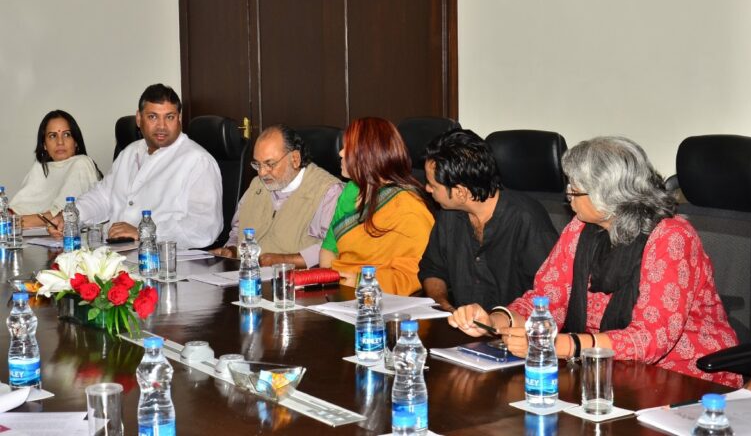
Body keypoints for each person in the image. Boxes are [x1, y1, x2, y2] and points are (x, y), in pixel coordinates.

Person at [449, 136, 742, 388]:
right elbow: (547, 300)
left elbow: (650, 340)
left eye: (576, 188)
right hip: (605, 371)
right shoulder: (581, 228)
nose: (568, 196)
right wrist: (497, 320)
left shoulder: (671, 238)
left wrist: (563, 345)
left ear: (610, 195)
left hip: (685, 377)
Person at [49, 84, 223, 249]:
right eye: (153, 117)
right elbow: (103, 196)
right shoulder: (130, 152)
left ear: (179, 119)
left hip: (164, 260)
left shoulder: (197, 161)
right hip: (116, 252)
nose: (162, 126)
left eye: (169, 117)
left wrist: (144, 232)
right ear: (139, 119)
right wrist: (71, 217)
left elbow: (204, 226)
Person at [418, 129, 558, 312]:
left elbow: (551, 296)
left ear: (461, 192)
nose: (427, 189)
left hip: (515, 333)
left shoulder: (526, 219)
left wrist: (499, 322)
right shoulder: (449, 214)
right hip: (464, 331)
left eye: (433, 185)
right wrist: (443, 305)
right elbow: (433, 269)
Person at [319, 117, 434, 295]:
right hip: (336, 290)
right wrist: (326, 283)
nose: (341, 153)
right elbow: (328, 249)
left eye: (348, 148)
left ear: (369, 154)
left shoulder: (408, 207)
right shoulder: (351, 190)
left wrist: (360, 282)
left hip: (375, 297)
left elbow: (416, 273)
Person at [209, 124, 342, 268]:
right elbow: (237, 229)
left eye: (269, 164)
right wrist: (232, 250)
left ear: (295, 159)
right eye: (257, 164)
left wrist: (283, 260)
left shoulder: (328, 191)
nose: (262, 173)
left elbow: (332, 248)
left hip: (294, 283)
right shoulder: (257, 186)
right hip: (246, 277)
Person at [11, 110, 102, 228]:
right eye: (53, 136)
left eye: (66, 134)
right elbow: (15, 210)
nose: (60, 142)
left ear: (76, 142)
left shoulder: (82, 164)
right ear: (44, 144)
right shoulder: (40, 168)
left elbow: (64, 217)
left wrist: (16, 222)